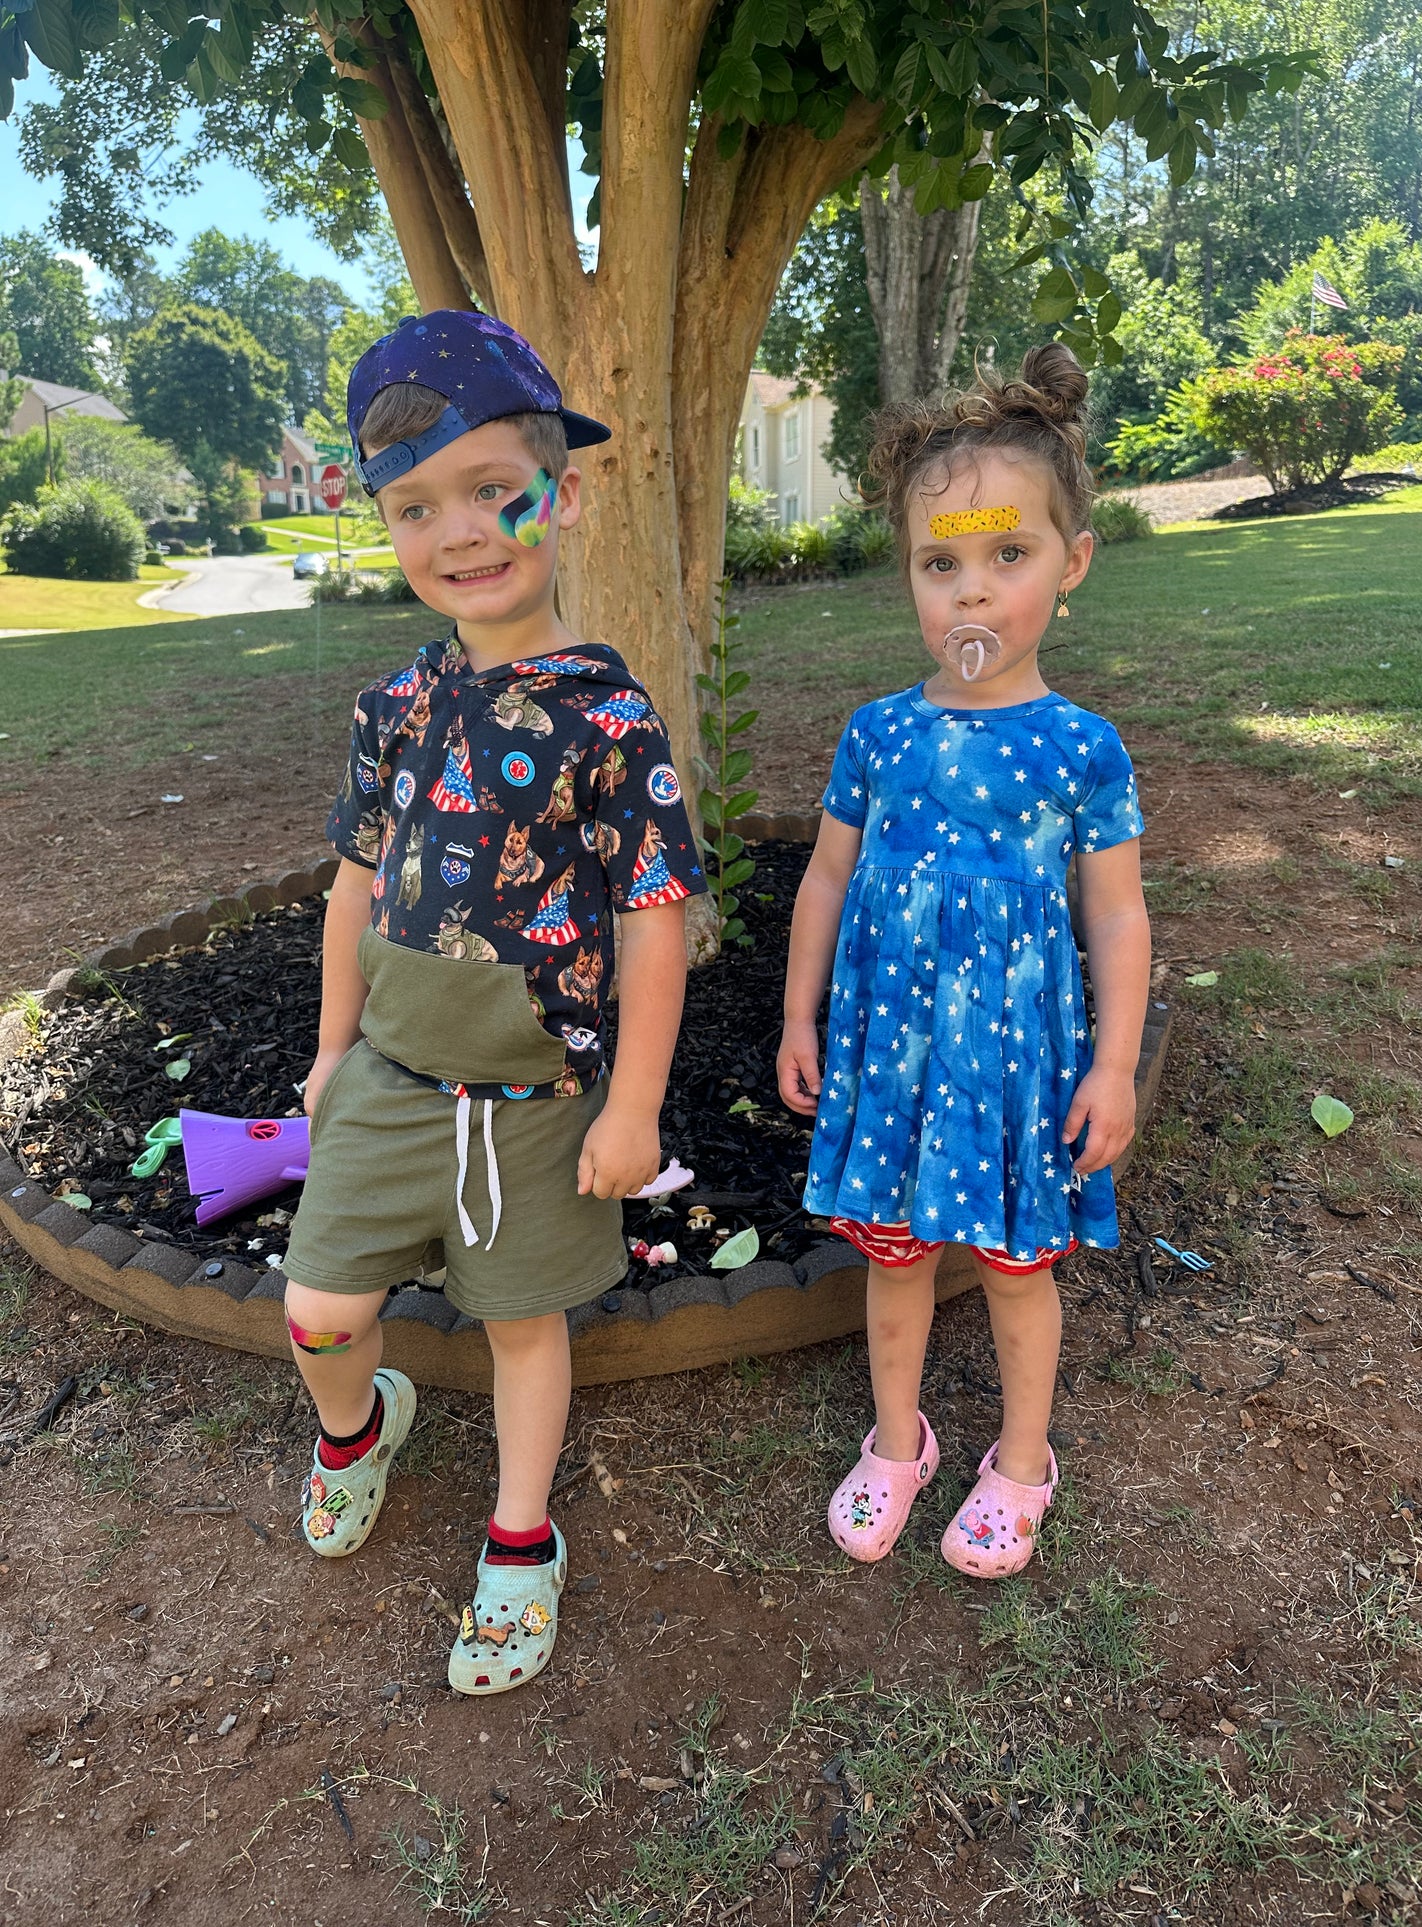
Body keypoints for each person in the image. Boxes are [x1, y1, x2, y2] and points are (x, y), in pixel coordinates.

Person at [281, 310, 703, 1692]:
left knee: (526, 1325)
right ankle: (362, 1425)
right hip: (391, 1078)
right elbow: (354, 887)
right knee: (321, 1309)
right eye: (415, 506)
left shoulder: (608, 714)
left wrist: (632, 1103)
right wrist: (332, 1049)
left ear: (560, 493)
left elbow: (653, 921)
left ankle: (521, 1539)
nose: (459, 531)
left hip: (538, 1099)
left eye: (490, 491)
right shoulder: (392, 707)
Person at [777, 344, 1150, 1579]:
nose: (971, 595)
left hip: (1016, 1072)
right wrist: (799, 1017)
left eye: (1006, 556)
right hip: (892, 1059)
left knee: (1011, 1272)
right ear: (910, 579)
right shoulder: (877, 733)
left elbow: (1114, 918)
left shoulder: (1079, 748)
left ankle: (1023, 1461)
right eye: (941, 564)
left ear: (1071, 563)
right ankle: (899, 1442)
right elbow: (825, 876)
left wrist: (1112, 1065)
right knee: (889, 1259)